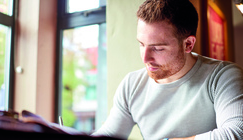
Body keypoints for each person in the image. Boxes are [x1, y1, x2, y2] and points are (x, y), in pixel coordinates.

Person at [93, 0, 243, 139]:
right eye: (141, 44)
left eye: (158, 48)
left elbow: (237, 132)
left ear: (188, 44)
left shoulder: (223, 76)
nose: (145, 59)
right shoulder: (132, 84)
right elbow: (109, 134)